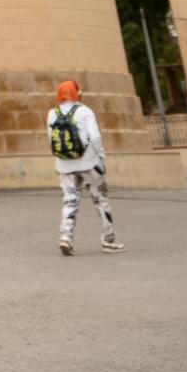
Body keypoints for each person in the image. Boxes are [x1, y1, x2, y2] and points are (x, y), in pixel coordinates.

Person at [49, 78, 122, 256]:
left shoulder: (52, 113)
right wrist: (101, 156)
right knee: (101, 200)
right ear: (78, 93)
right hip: (89, 163)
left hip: (65, 165)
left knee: (69, 201)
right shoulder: (84, 111)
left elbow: (51, 138)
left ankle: (66, 237)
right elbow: (95, 138)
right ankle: (108, 240)